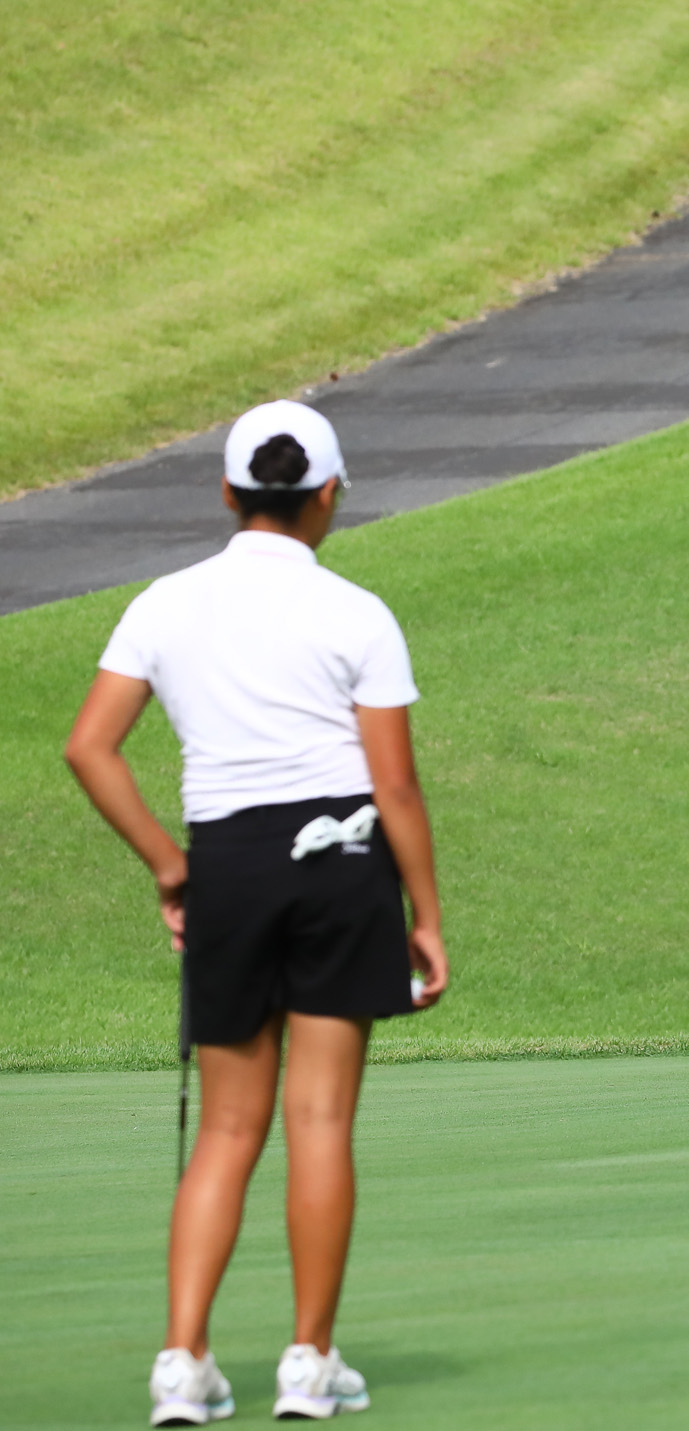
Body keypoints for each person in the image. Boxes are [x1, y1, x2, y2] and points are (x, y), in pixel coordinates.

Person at [64, 401, 447, 1425]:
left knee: (228, 1128)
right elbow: (395, 786)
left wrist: (167, 866)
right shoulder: (357, 611)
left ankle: (182, 1364)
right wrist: (425, 913)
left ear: (229, 494)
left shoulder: (163, 604)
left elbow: (88, 747)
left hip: (227, 864)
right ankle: (308, 1362)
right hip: (344, 862)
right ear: (326, 496)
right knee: (319, 1119)